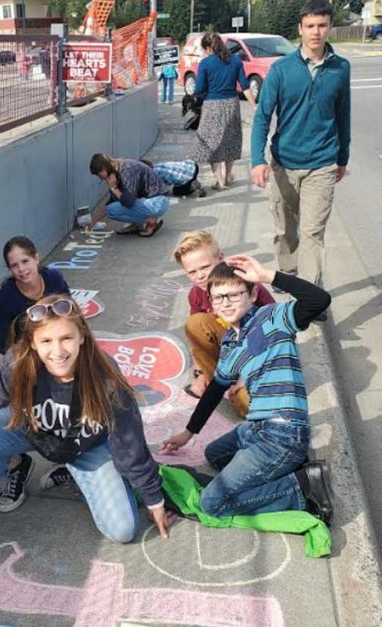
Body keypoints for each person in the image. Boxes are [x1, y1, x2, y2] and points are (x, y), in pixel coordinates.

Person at [0, 295, 175, 540]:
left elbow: (129, 442)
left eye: (66, 339)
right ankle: (15, 466)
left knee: (123, 531)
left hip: (86, 447)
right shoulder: (17, 362)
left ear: (82, 336)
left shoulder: (104, 374)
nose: (57, 351)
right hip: (30, 430)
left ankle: (74, 473)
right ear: (32, 342)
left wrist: (154, 499)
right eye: (47, 341)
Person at [160, 256, 334, 524]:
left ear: (253, 294)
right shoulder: (231, 342)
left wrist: (268, 276)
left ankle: (302, 487)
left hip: (283, 433)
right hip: (256, 430)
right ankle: (282, 470)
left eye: (233, 294)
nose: (225, 303)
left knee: (212, 503)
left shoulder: (273, 318)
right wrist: (188, 432)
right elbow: (215, 389)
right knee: (214, 455)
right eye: (218, 298)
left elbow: (319, 300)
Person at [250, 0, 350, 287]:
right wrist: (257, 159)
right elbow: (262, 117)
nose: (315, 32)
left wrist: (342, 157)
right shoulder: (281, 70)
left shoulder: (340, 68)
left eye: (321, 25)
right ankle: (288, 273)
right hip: (284, 163)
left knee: (312, 234)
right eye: (310, 26)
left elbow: (343, 116)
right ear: (300, 29)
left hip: (322, 163)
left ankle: (309, 296)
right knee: (285, 230)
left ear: (330, 26)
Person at [0, 236, 73, 494]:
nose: (21, 269)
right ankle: (16, 464)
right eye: (14, 265)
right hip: (24, 358)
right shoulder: (8, 293)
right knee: (6, 414)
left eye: (25, 261)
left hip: (57, 353)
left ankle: (69, 463)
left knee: (71, 406)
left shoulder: (55, 279)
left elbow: (74, 319)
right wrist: (8, 373)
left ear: (37, 257)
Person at [173, 230, 274, 416]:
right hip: (230, 349)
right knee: (195, 323)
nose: (200, 276)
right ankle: (219, 383)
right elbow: (197, 338)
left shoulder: (246, 284)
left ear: (220, 258)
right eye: (192, 272)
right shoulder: (196, 294)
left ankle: (240, 388)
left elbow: (278, 334)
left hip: (260, 353)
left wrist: (248, 374)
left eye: (205, 267)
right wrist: (200, 371)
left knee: (249, 408)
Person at [191, 32, 256, 190]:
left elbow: (199, 88)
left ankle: (218, 179)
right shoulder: (235, 60)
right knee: (230, 140)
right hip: (232, 104)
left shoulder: (205, 63)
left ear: (207, 48)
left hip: (212, 105)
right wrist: (254, 105)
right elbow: (245, 85)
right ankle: (228, 175)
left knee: (212, 142)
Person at [88, 152, 170, 237]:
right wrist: (93, 222)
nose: (100, 177)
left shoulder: (126, 169)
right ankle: (138, 224)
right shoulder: (116, 172)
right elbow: (113, 201)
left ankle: (151, 222)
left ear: (103, 168)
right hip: (152, 202)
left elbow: (129, 201)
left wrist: (114, 189)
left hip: (158, 202)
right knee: (112, 209)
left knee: (112, 210)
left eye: (99, 174)